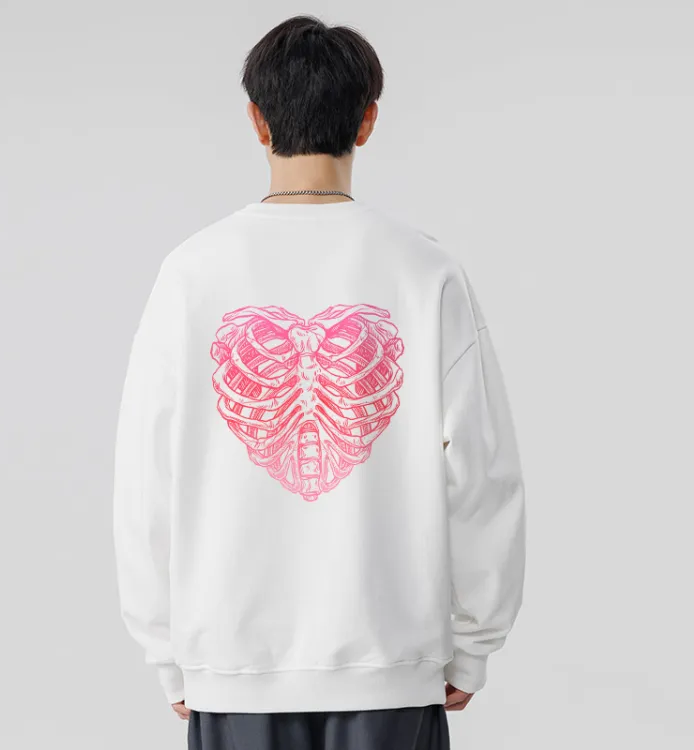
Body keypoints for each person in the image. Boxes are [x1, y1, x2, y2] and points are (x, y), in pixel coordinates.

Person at [112, 14, 526, 750]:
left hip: (232, 668)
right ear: (367, 121)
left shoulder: (191, 274)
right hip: (389, 667)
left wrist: (168, 652)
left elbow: (145, 480)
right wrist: (474, 641)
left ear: (257, 121)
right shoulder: (425, 271)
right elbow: (483, 474)